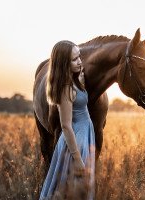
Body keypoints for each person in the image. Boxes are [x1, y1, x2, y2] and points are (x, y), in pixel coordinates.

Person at [39, 40, 95, 200]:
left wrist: (80, 80)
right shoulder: (66, 90)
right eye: (74, 59)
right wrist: (77, 158)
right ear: (63, 64)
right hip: (76, 141)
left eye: (79, 57)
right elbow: (65, 126)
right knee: (72, 190)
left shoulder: (75, 81)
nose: (80, 62)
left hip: (84, 135)